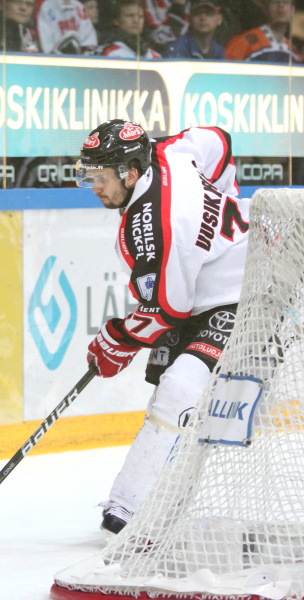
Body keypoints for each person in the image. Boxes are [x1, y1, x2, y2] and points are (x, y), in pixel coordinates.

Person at [76, 120, 249, 534]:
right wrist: (223, 196)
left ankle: (131, 509)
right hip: (200, 291)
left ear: (131, 172)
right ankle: (141, 500)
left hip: (245, 290)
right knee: (165, 389)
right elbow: (218, 139)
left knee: (181, 388)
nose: (95, 186)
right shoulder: (168, 151)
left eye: (101, 178)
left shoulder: (158, 224)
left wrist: (116, 338)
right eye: (90, 176)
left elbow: (164, 309)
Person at [225, 0, 302, 63]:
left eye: (286, 2)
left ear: (293, 10)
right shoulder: (244, 42)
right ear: (266, 9)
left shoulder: (293, 50)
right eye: (275, 1)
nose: (281, 5)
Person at [95, 0, 160, 58]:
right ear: (117, 20)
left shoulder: (154, 56)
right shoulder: (109, 52)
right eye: (130, 16)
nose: (136, 20)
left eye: (140, 17)